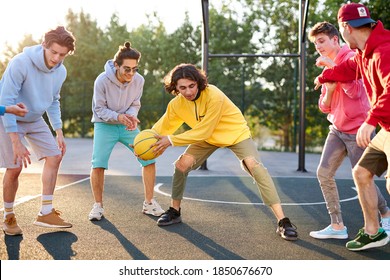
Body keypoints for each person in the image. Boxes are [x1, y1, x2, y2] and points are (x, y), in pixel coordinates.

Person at [150, 63, 298, 241]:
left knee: (254, 166)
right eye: (182, 87)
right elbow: (160, 129)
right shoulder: (176, 105)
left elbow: (203, 131)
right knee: (182, 164)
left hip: (235, 134)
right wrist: (141, 144)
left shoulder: (214, 95)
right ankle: (175, 211)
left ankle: (283, 221)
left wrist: (171, 140)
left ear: (198, 83)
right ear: (175, 88)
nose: (188, 91)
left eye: (192, 86)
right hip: (207, 138)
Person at [315, 3, 390, 251]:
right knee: (361, 174)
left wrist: (370, 120)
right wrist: (325, 76)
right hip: (383, 129)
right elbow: (347, 70)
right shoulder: (363, 54)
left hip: (371, 125)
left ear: (345, 29)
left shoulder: (382, 51)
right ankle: (373, 232)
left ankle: (385, 218)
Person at [0, 26, 76, 236]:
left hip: (34, 118)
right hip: (9, 116)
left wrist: (58, 130)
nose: (57, 58)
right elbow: (5, 101)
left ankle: (45, 212)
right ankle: (8, 216)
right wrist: (15, 141)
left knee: (55, 156)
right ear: (44, 45)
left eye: (63, 55)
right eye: (54, 52)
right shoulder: (20, 63)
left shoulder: (60, 70)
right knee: (14, 168)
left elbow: (53, 100)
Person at [88, 41, 164, 221]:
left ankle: (149, 203)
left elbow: (134, 104)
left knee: (149, 157)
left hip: (127, 124)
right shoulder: (101, 80)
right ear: (116, 65)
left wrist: (130, 117)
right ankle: (97, 206)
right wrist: (118, 117)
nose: (131, 73)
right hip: (104, 125)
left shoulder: (139, 80)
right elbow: (99, 109)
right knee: (98, 164)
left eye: (135, 69)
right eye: (127, 69)